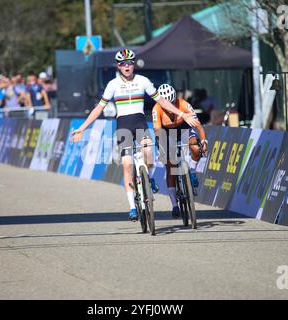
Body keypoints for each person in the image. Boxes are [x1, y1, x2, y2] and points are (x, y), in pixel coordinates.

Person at [70, 49, 199, 221]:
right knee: (127, 165)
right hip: (123, 125)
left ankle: (149, 178)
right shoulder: (113, 85)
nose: (127, 66)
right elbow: (99, 108)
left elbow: (161, 101)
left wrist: (182, 114)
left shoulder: (143, 81)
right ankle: (132, 207)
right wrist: (83, 128)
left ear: (133, 64)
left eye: (130, 62)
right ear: (119, 66)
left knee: (148, 153)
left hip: (139, 122)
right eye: (123, 63)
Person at [153, 84, 208, 218]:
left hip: (183, 129)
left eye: (172, 103)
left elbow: (198, 125)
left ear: (175, 100)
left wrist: (204, 141)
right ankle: (174, 204)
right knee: (170, 165)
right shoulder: (157, 109)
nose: (170, 108)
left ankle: (193, 170)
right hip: (165, 133)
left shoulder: (184, 104)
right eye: (166, 104)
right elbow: (158, 132)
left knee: (196, 148)